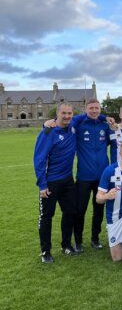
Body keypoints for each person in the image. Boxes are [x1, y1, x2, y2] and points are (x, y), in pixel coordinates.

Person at [34, 103, 78, 263]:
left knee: (70, 213)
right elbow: (39, 160)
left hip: (67, 180)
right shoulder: (48, 132)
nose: (67, 116)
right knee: (46, 216)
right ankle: (45, 251)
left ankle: (66, 245)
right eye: (64, 113)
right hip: (50, 182)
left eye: (69, 113)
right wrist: (42, 185)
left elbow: (91, 114)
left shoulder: (73, 126)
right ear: (57, 114)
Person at [73, 98, 111, 251]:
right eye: (91, 108)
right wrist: (89, 116)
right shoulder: (80, 124)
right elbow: (70, 119)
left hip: (102, 177)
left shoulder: (104, 125)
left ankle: (95, 239)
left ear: (100, 109)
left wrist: (103, 118)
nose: (94, 111)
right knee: (80, 210)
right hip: (83, 177)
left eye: (97, 108)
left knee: (98, 210)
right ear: (86, 109)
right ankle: (78, 242)